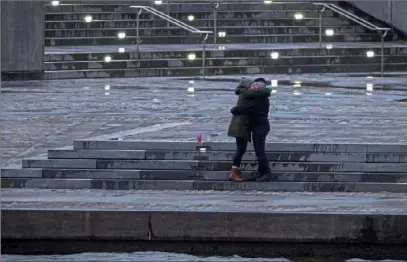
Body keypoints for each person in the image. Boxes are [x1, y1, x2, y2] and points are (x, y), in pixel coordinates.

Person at [227, 78, 272, 182]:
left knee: (260, 151)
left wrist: (236, 110)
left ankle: (266, 172)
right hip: (257, 127)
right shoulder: (255, 96)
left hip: (261, 127)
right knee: (258, 150)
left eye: (257, 85)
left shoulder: (262, 97)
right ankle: (261, 173)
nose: (255, 86)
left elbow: (250, 109)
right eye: (254, 84)